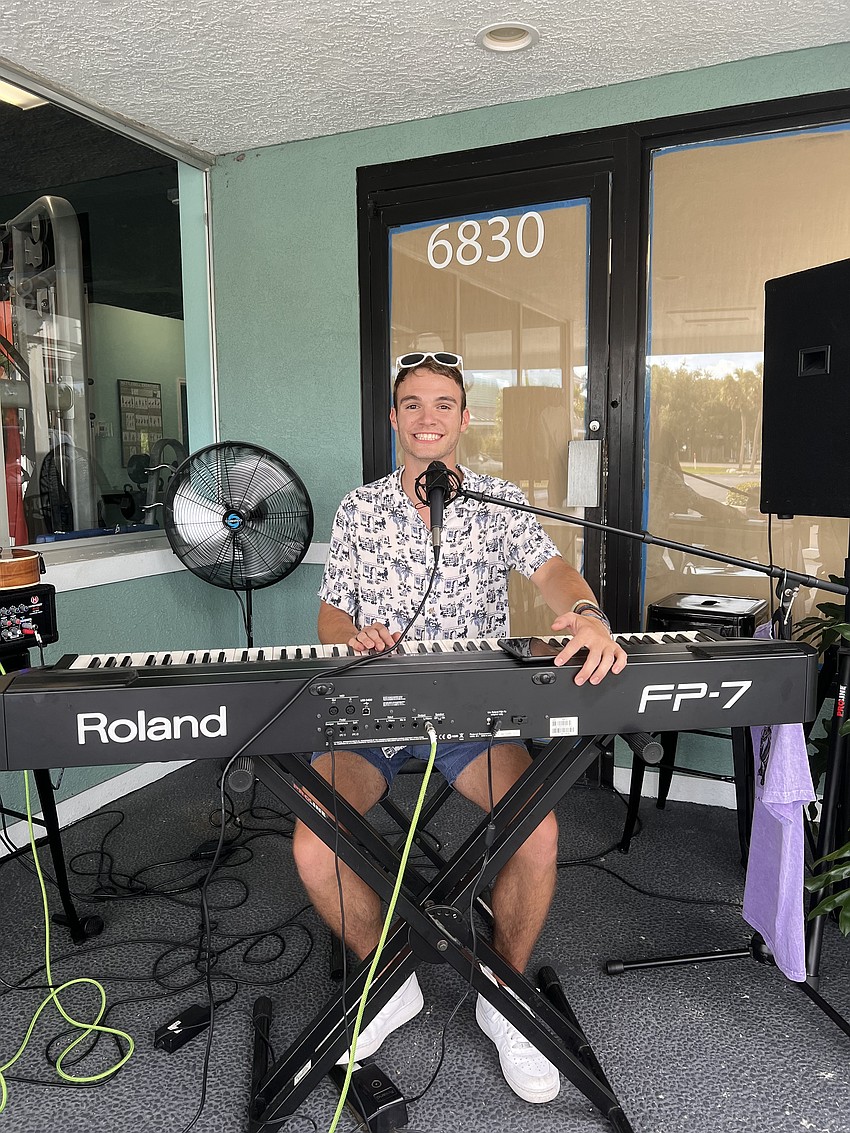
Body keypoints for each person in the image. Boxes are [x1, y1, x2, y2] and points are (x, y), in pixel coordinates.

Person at [292, 352, 627, 1105]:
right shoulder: (356, 508)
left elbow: (553, 575)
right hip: (370, 710)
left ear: (465, 417)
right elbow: (329, 611)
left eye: (444, 403)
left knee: (536, 833)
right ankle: (390, 976)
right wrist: (354, 634)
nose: (428, 417)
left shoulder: (499, 501)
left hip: (477, 715)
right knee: (314, 842)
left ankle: (500, 995)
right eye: (412, 404)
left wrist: (586, 612)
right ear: (394, 418)